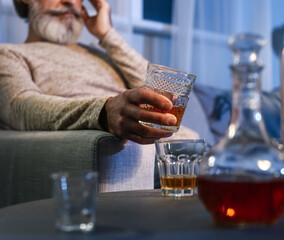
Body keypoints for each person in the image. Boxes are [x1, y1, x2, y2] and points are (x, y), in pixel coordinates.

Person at [0, 0, 182, 144]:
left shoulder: (103, 52)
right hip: (117, 143)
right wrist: (103, 112)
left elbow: (162, 92)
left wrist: (107, 35)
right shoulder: (8, 53)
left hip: (180, 144)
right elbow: (20, 107)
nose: (71, 1)